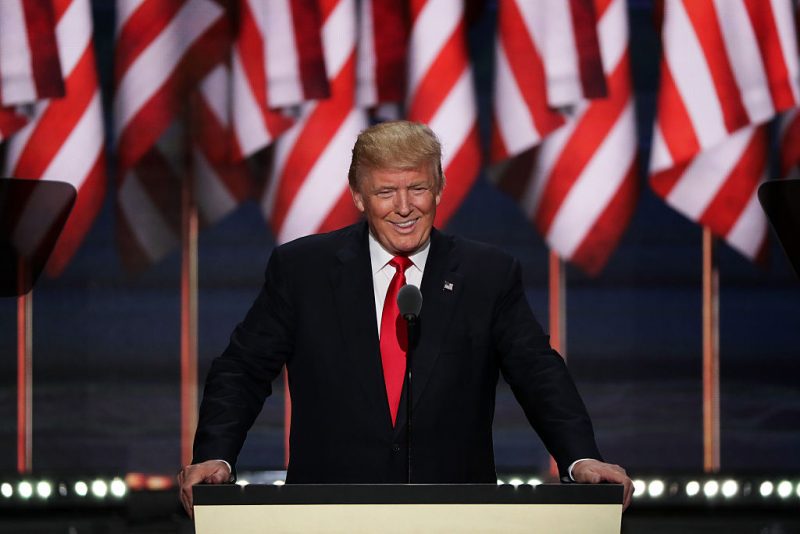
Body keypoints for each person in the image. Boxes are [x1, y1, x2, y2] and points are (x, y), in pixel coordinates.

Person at [178, 121, 633, 516]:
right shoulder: (303, 270)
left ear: (439, 187)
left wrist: (580, 460)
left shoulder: (486, 274)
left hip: (456, 513)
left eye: (417, 188)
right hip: (328, 512)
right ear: (358, 195)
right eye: (385, 192)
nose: (403, 206)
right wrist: (216, 455)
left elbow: (537, 372)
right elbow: (243, 369)